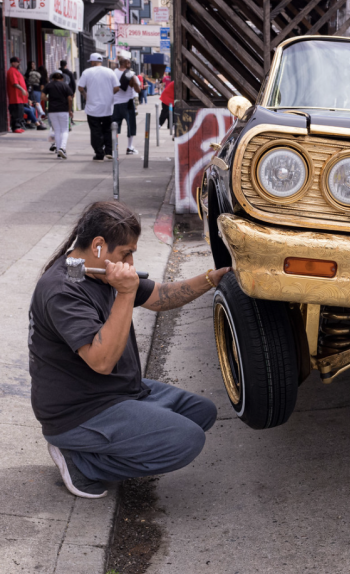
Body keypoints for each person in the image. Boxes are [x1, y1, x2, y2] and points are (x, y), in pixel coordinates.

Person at [29, 201, 230, 499]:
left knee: (201, 412)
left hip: (118, 391)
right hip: (80, 410)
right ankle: (82, 463)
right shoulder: (62, 290)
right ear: (98, 245)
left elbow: (160, 297)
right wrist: (125, 292)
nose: (131, 264)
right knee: (187, 440)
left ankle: (123, 431)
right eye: (127, 253)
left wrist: (210, 279)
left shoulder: (96, 271)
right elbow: (102, 362)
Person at [78, 53, 120, 162]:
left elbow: (80, 87)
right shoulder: (110, 71)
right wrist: (109, 95)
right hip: (107, 107)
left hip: (92, 108)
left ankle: (99, 153)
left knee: (95, 131)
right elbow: (117, 87)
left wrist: (85, 95)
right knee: (108, 130)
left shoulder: (87, 72)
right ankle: (109, 151)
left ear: (92, 61)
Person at [112, 51, 141, 155]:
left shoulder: (113, 72)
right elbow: (137, 90)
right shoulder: (131, 74)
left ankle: (114, 148)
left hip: (115, 104)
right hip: (128, 104)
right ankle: (129, 147)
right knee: (131, 125)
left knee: (114, 126)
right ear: (127, 63)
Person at [42, 72, 74, 159]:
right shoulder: (65, 85)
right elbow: (70, 98)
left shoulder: (49, 85)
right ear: (62, 78)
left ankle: (59, 153)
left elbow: (42, 97)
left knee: (57, 131)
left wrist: (50, 99)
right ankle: (62, 148)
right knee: (64, 130)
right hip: (63, 110)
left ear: (52, 78)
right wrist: (70, 110)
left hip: (52, 111)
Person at [7, 57, 30, 133]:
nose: (19, 63)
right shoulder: (12, 71)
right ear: (13, 63)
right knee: (16, 112)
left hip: (19, 97)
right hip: (15, 97)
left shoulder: (16, 71)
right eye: (17, 62)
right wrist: (22, 89)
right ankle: (15, 127)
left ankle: (18, 126)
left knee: (20, 112)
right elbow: (14, 83)